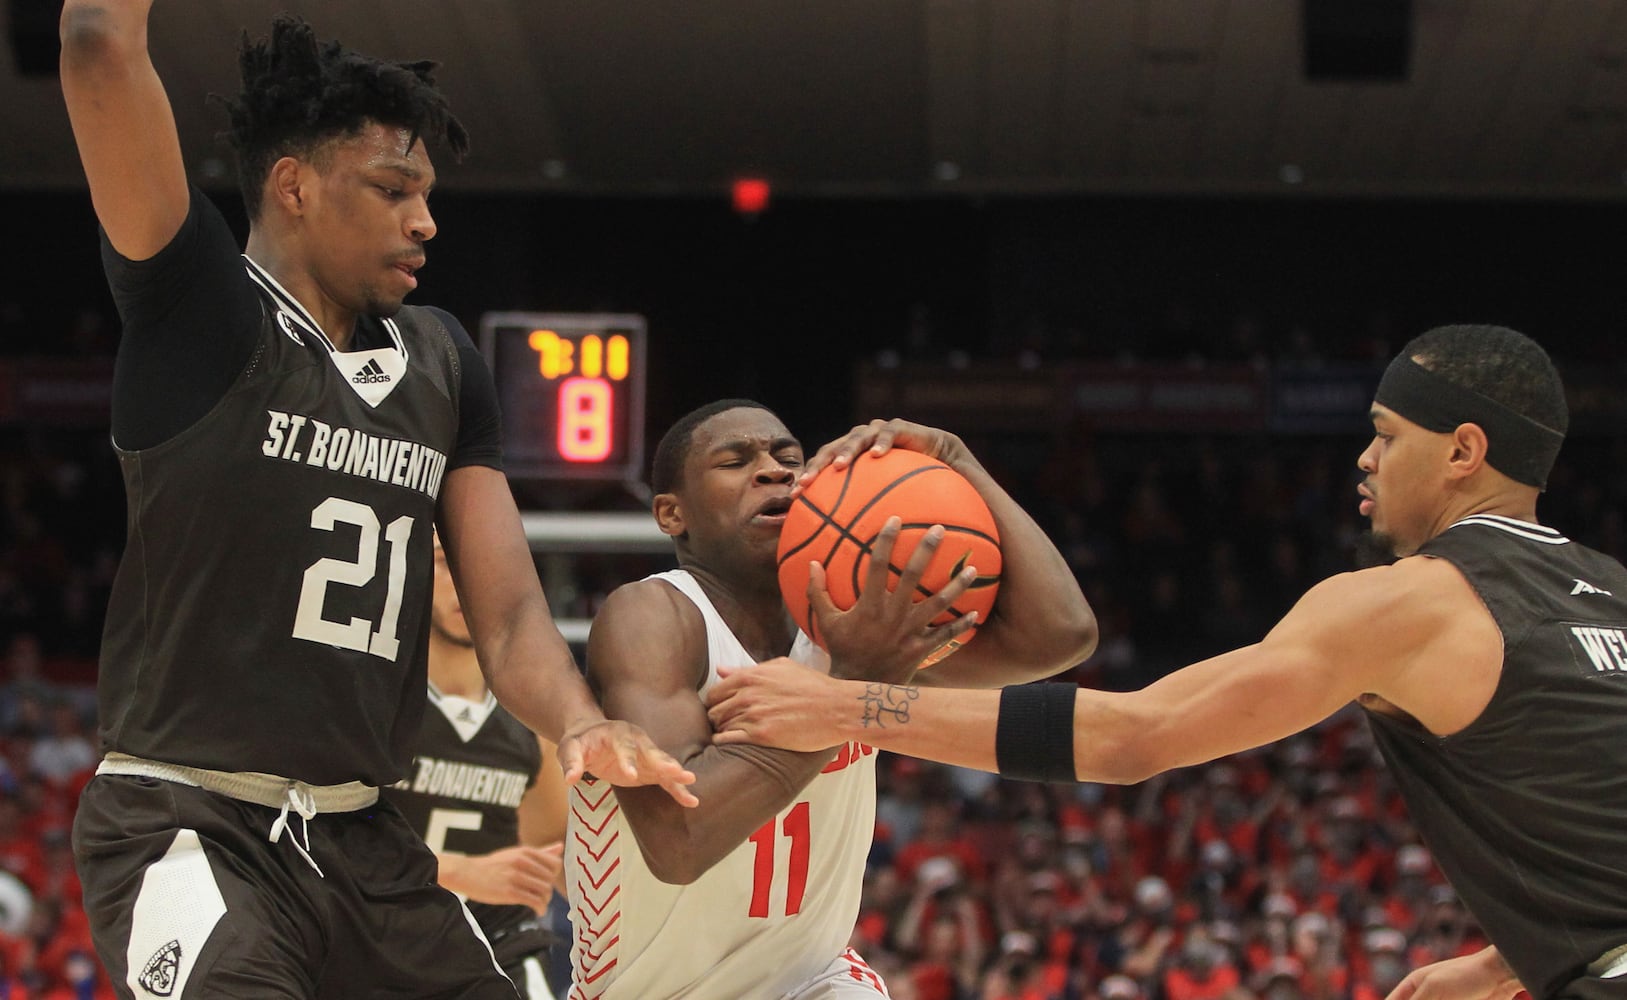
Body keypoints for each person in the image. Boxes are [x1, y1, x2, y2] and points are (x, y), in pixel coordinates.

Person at [58, 8, 695, 999]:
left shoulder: (443, 359)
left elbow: (513, 615)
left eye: (427, 194)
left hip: (364, 839)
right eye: (393, 190)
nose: (426, 221)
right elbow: (99, 40)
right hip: (189, 823)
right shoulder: (202, 312)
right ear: (296, 186)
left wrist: (576, 720)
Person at [709, 325, 1627, 1000]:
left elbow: (1134, 737)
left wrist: (847, 708)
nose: (1364, 456)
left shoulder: (1409, 601)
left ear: (1463, 451)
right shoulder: (1612, 590)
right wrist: (1508, 957)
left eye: (1386, 434)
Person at [566, 401, 1097, 999]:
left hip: (813, 980)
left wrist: (956, 459)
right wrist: (847, 686)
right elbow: (678, 841)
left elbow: (1060, 636)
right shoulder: (654, 616)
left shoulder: (860, 622)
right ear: (671, 513)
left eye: (788, 457)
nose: (773, 471)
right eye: (735, 461)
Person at [378, 533, 569, 1000]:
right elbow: (320, 843)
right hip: (380, 944)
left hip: (499, 948)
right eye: (447, 563)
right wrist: (460, 872)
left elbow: (557, 850)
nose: (468, 582)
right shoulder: (376, 702)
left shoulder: (535, 716)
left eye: (486, 568)